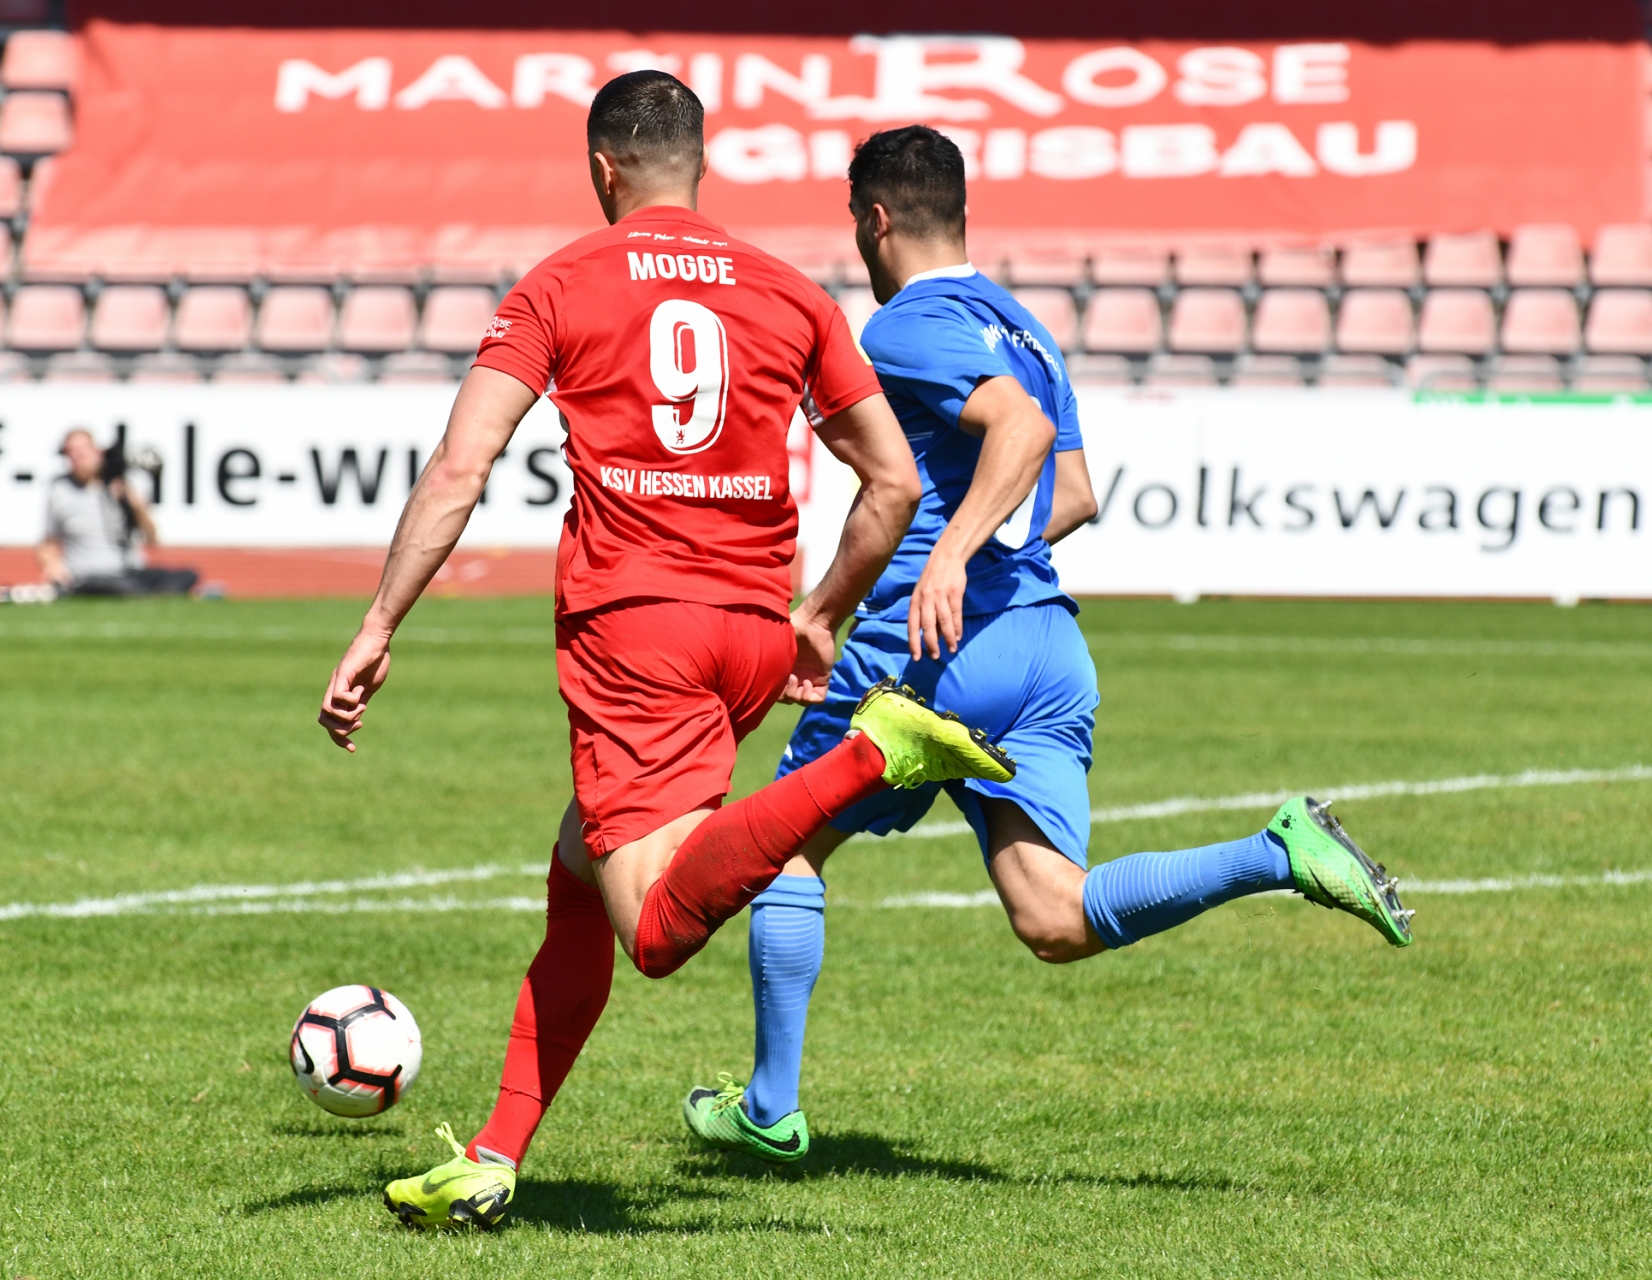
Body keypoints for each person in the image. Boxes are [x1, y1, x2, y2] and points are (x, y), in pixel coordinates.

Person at [316, 75, 1015, 1231]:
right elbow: (892, 481)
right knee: (579, 861)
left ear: (602, 170)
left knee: (649, 927)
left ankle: (865, 755)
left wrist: (381, 621)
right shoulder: (790, 294)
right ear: (701, 164)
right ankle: (494, 1152)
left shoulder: (563, 282)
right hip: (747, 632)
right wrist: (822, 612)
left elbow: (459, 467)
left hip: (636, 629)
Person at [680, 126, 1417, 1164]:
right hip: (1043, 649)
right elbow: (1072, 494)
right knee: (1055, 917)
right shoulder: (1024, 326)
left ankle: (768, 1104)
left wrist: (946, 560)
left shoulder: (904, 327)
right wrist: (984, 551)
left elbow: (1017, 437)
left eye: (857, 224)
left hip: (928, 653)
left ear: (876, 220)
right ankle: (1277, 850)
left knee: (788, 845)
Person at [36, 429, 199, 598]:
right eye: (73, 452)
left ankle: (150, 592)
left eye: (83, 450)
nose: (79, 456)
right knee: (120, 587)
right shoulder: (61, 491)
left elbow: (153, 539)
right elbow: (48, 543)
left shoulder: (121, 486)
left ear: (97, 452)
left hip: (129, 571)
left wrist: (135, 505)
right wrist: (53, 566)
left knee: (188, 575)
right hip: (89, 576)